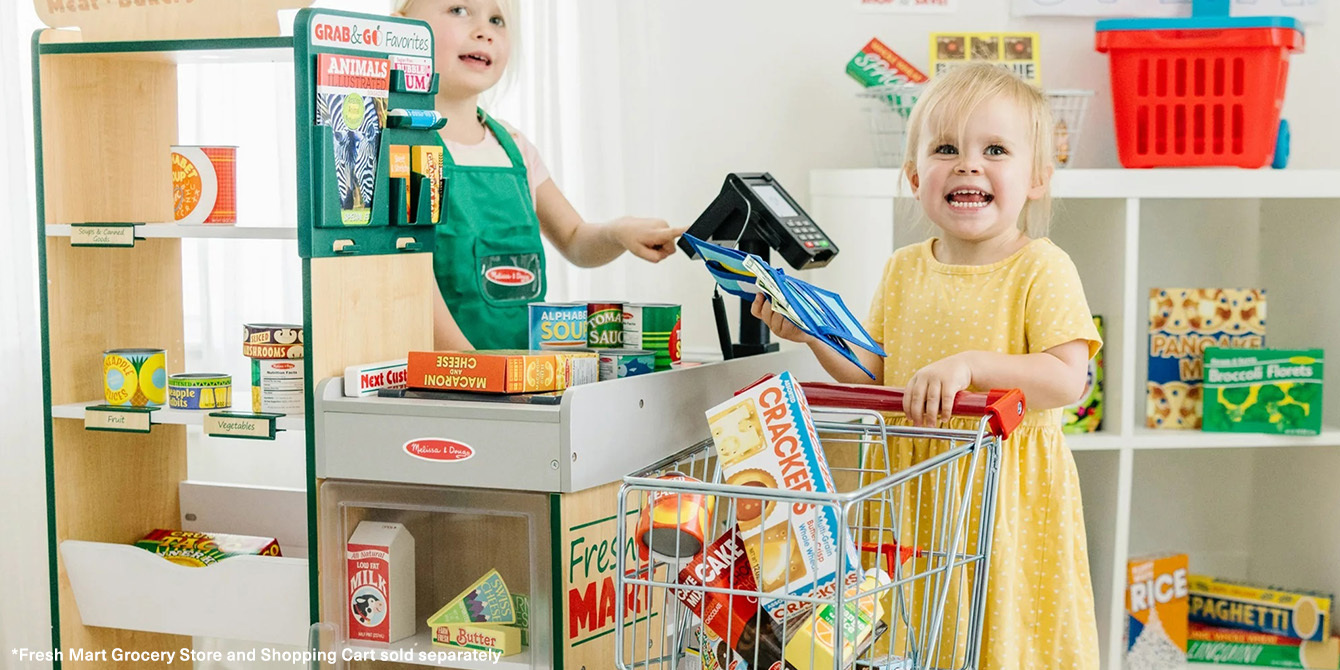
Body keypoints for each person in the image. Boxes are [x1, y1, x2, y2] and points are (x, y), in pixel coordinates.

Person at [753, 63, 1102, 669]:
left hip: (1004, 491)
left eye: (995, 149)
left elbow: (1067, 378)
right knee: (920, 632)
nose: (968, 164)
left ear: (1038, 178)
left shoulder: (1041, 267)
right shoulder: (903, 268)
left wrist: (970, 365)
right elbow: (877, 375)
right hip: (915, 487)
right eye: (947, 149)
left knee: (1004, 633)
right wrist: (810, 332)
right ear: (915, 177)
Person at [394, 0, 685, 350]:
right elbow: (412, 279)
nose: (484, 31)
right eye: (459, 10)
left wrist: (617, 233)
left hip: (521, 380)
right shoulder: (403, 148)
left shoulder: (515, 147)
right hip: (445, 383)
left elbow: (576, 239)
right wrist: (472, 367)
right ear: (402, 27)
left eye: (497, 19)